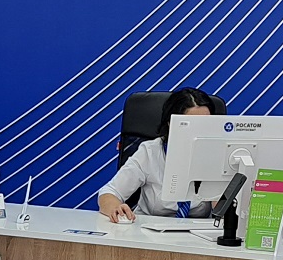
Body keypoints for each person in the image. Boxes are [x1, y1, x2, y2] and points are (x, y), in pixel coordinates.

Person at [97, 87, 226, 222]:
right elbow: (110, 192)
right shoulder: (150, 152)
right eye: (193, 125)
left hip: (197, 232)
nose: (200, 132)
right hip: (147, 230)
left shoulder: (216, 155)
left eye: (205, 124)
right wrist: (116, 209)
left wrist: (221, 200)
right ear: (171, 124)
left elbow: (224, 209)